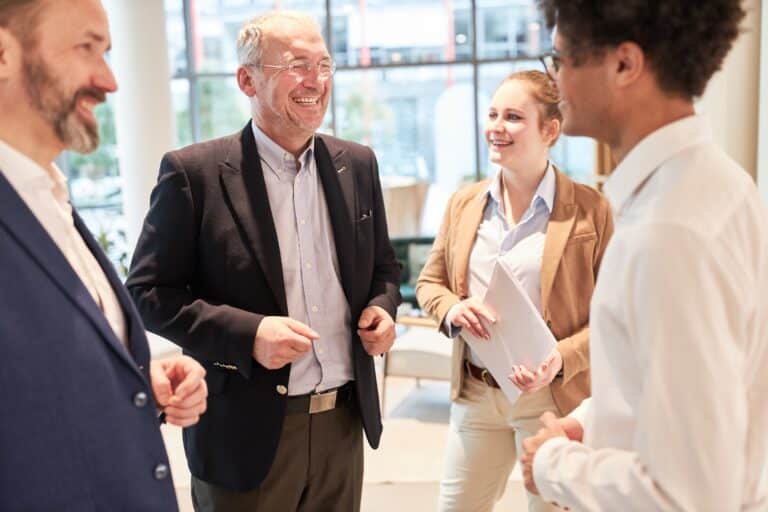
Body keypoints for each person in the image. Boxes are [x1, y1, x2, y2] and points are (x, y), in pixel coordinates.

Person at [126, 10, 401, 512]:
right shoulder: (194, 174)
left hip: (342, 422)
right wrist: (249, 334)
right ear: (246, 79)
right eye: (297, 65)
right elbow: (147, 294)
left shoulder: (357, 164)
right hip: (243, 432)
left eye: (324, 65)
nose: (315, 81)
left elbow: (384, 268)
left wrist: (383, 310)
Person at [521, 1, 768, 510]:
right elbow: (694, 382)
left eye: (561, 61)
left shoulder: (668, 232)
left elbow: (687, 493)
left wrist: (553, 464)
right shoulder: (719, 185)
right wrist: (592, 419)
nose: (556, 84)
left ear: (624, 65)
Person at [0, 0, 208, 510]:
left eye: (108, 53)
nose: (110, 81)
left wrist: (130, 383)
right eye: (86, 48)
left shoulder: (49, 196)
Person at [415, 70, 613, 512]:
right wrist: (452, 309)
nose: (496, 127)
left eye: (513, 117)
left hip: (550, 399)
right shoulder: (465, 204)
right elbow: (431, 282)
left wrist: (561, 358)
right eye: (492, 114)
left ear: (550, 129)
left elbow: (615, 316)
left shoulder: (590, 210)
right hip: (477, 394)